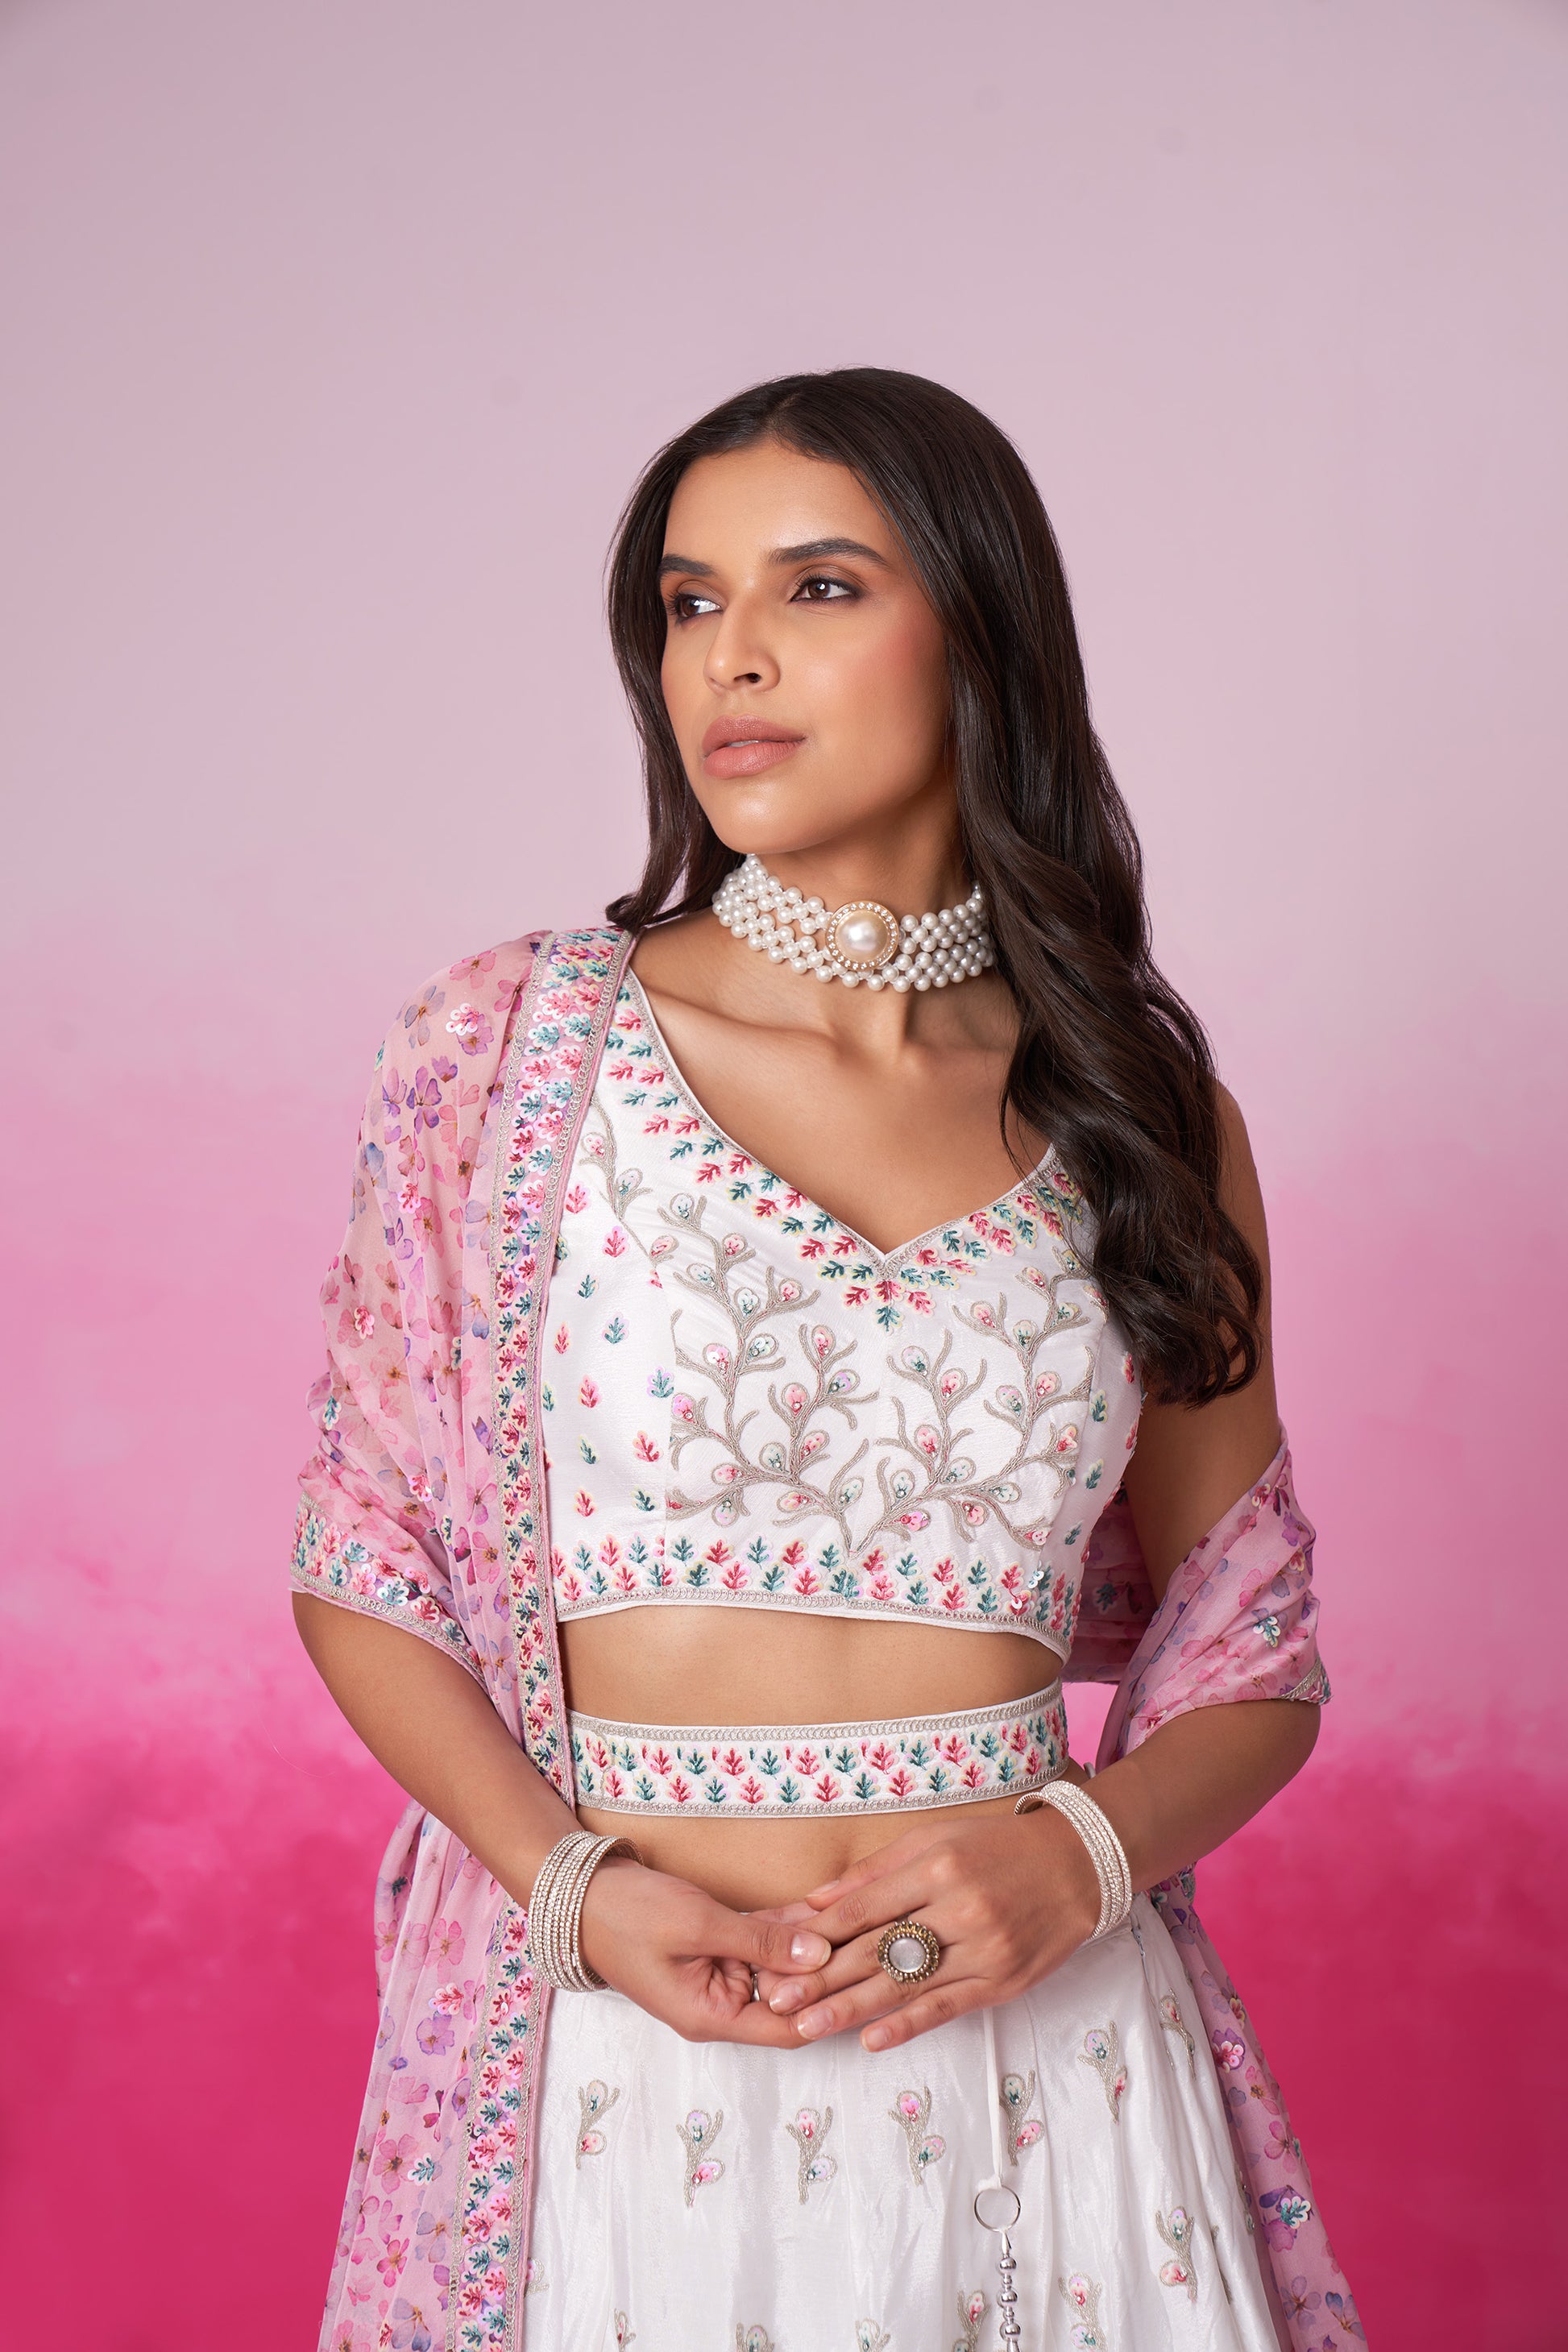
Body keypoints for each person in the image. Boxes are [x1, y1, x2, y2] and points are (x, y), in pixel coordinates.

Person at [291, 369, 1364, 2352]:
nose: (732, 656)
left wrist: (1079, 1858)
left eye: (819, 586)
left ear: (980, 629)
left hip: (1047, 2070)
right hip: (623, 2063)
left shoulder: (1139, 1111)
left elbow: (1249, 1651)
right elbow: (366, 1561)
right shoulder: (511, 1051)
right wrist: (570, 1888)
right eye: (688, 602)